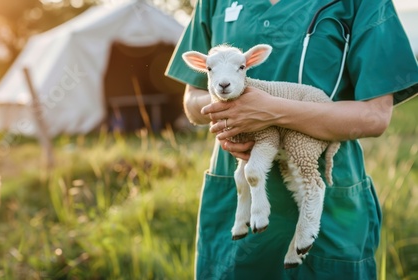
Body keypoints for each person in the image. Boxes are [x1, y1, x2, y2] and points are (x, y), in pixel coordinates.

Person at [165, 0, 418, 279]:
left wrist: (273, 111)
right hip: (233, 199)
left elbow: (375, 115)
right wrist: (233, 112)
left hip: (331, 208)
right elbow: (191, 101)